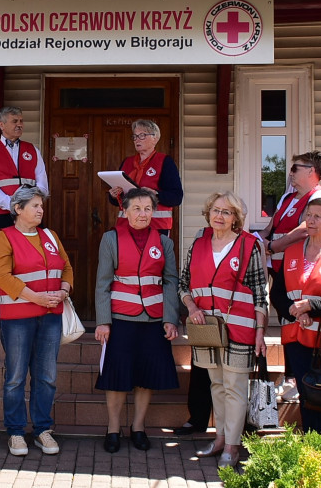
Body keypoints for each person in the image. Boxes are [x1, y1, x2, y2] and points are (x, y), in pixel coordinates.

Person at [179, 192, 268, 467]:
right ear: (208, 213)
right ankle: (219, 439)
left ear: (235, 218)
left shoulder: (249, 246)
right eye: (216, 210)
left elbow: (259, 292)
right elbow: (183, 284)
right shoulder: (198, 244)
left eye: (226, 212)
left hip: (240, 328)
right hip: (206, 327)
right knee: (216, 385)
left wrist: (260, 332)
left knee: (234, 388)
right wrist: (191, 308)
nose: (219, 216)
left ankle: (232, 446)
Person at [95, 187, 181, 454]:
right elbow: (103, 283)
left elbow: (171, 282)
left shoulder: (164, 242)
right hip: (120, 318)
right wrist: (103, 321)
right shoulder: (110, 239)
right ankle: (113, 428)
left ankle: (138, 427)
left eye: (147, 209)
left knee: (146, 376)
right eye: (136, 208)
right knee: (117, 376)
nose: (143, 214)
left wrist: (170, 318)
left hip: (154, 320)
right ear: (125, 211)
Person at [0, 185, 71, 457]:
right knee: (15, 377)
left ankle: (42, 430)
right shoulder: (4, 237)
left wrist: (64, 290)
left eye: (41, 205)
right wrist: (36, 298)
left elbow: (66, 267)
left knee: (46, 376)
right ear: (18, 208)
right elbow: (2, 276)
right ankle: (15, 431)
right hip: (17, 320)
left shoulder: (50, 235)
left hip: (50, 317)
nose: (41, 210)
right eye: (35, 205)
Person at [270, 197, 321, 434]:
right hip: (296, 337)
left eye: (318, 216)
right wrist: (295, 311)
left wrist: (311, 306)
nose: (311, 220)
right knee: (306, 395)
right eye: (308, 215)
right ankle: (310, 443)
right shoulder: (291, 251)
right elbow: (277, 294)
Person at [0, 106, 49, 244]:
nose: (19, 125)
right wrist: (13, 205)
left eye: (21, 121)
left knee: (33, 253)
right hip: (0, 215)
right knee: (2, 254)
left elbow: (43, 184)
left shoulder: (32, 150)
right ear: (1, 125)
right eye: (15, 121)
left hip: (30, 215)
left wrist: (29, 206)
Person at [108, 119, 182, 237]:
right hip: (126, 227)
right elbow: (117, 201)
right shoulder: (127, 162)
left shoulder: (164, 162)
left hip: (155, 227)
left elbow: (176, 198)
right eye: (135, 136)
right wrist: (113, 195)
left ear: (155, 138)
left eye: (142, 135)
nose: (137, 139)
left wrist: (155, 194)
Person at [262, 151, 321, 278]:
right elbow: (269, 229)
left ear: (310, 171)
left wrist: (271, 246)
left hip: (298, 267)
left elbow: (305, 229)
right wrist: (251, 239)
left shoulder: (318, 196)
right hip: (277, 267)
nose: (290, 173)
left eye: (294, 169)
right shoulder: (287, 198)